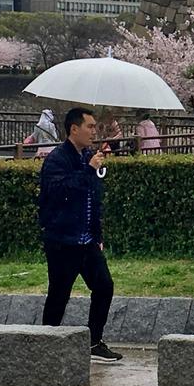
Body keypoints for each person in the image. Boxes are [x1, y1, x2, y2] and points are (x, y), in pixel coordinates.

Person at [38, 106, 122, 362]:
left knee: (104, 286)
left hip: (87, 240)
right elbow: (61, 192)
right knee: (59, 294)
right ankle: (46, 343)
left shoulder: (88, 154)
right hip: (62, 240)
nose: (93, 131)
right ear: (74, 129)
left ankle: (94, 341)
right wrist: (88, 169)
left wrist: (97, 234)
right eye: (90, 126)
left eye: (95, 127)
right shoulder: (57, 159)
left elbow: (93, 199)